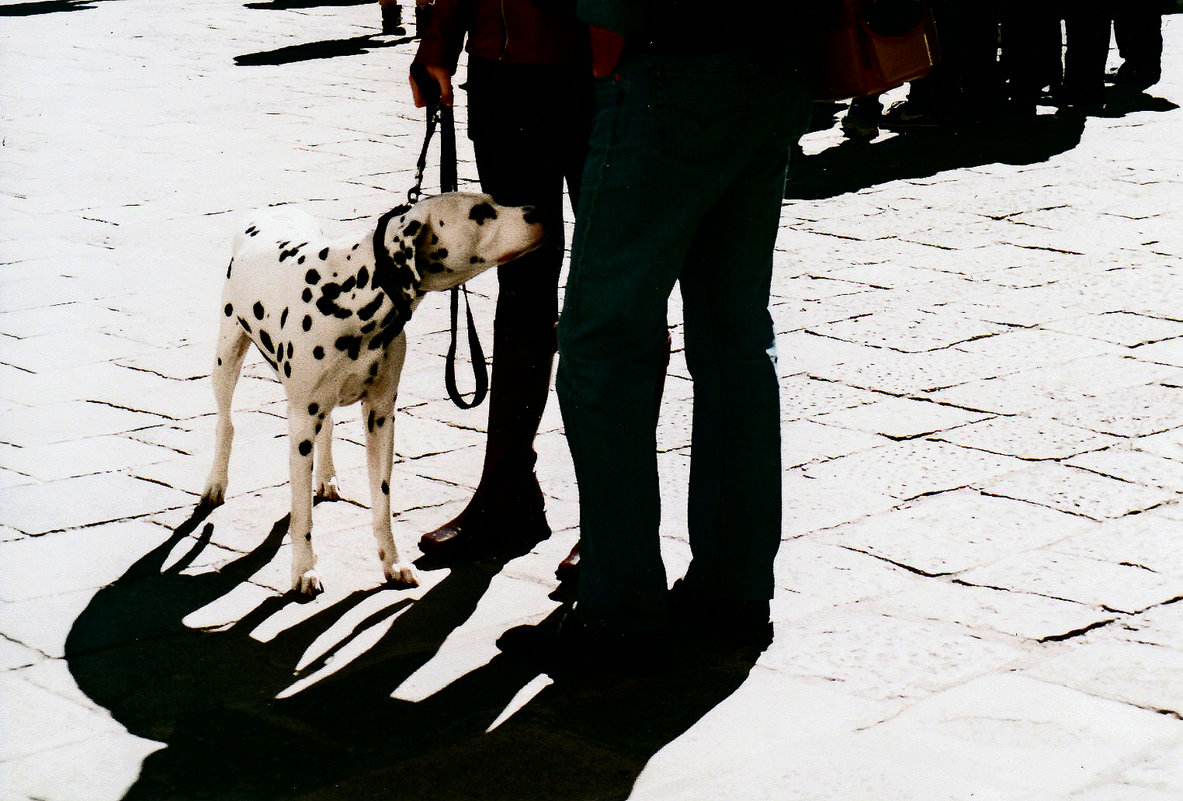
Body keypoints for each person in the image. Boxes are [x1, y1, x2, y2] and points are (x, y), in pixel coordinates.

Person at [541, 1, 814, 658]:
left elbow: (608, 29)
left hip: (667, 77)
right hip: (771, 66)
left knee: (600, 345)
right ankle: (734, 586)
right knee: (736, 340)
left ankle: (619, 604)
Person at [408, 0, 591, 560]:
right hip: (504, 74)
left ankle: (614, 520)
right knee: (521, 289)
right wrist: (438, 40)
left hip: (604, 72)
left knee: (612, 292)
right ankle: (507, 489)